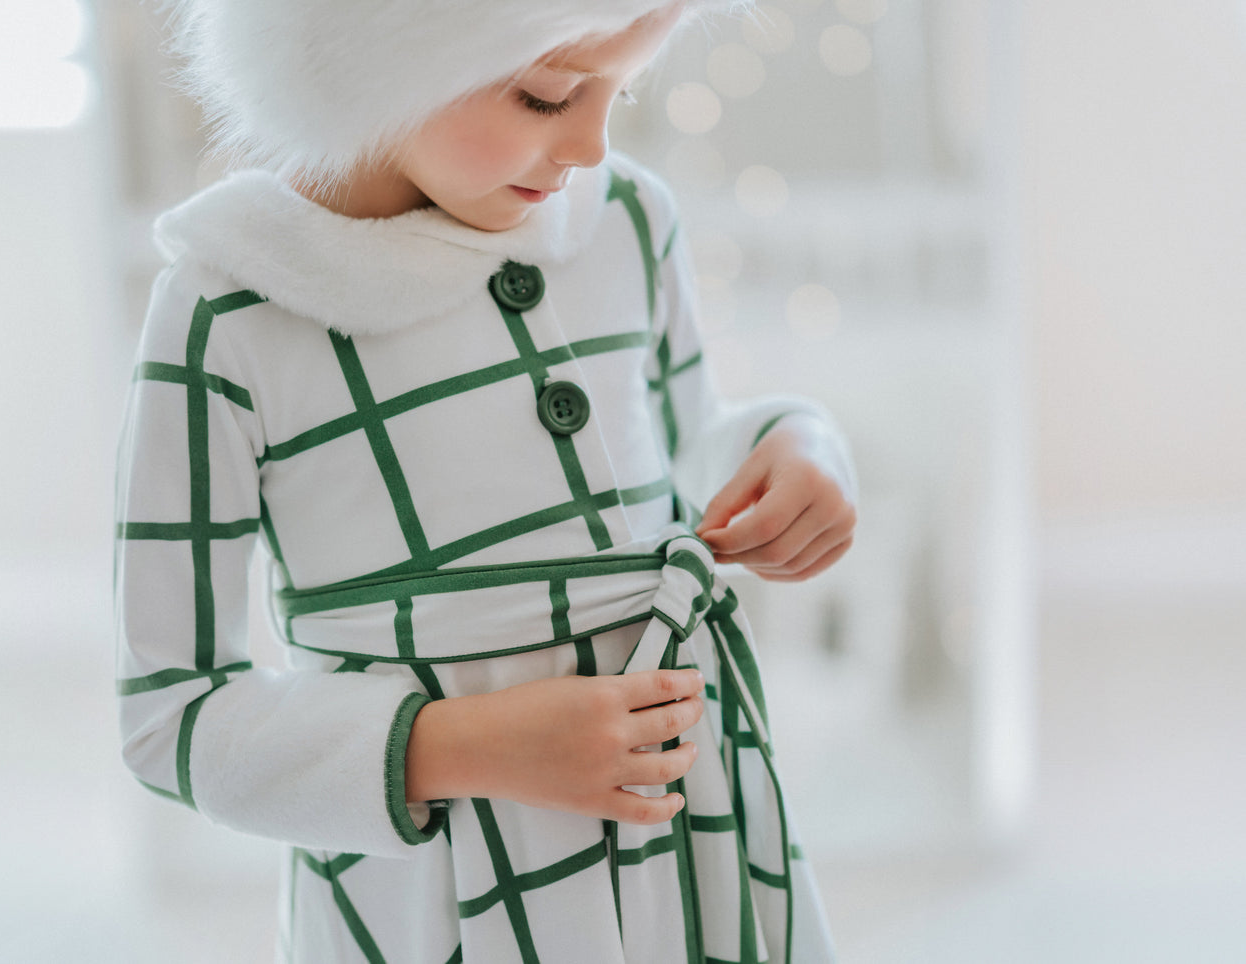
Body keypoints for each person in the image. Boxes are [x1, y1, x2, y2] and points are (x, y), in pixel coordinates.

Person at [114, 0, 857, 960]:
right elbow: (171, 717)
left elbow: (684, 446)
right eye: (546, 94)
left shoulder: (627, 221)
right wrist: (474, 745)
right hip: (435, 900)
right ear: (367, 46)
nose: (591, 145)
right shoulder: (229, 316)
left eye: (617, 91)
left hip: (685, 852)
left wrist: (799, 444)